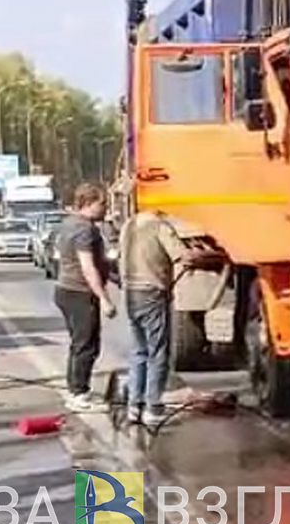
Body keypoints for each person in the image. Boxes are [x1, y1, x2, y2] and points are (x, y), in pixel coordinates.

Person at [119, 210, 213, 427]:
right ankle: (153, 407)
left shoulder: (129, 225)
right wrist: (204, 254)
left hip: (131, 293)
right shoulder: (159, 227)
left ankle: (135, 405)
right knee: (158, 352)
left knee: (139, 350)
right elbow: (182, 256)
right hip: (152, 292)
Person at [53, 183, 116, 412]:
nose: (105, 209)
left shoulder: (68, 223)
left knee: (79, 343)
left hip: (64, 290)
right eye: (102, 204)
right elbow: (87, 267)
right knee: (87, 345)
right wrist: (104, 298)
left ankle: (75, 389)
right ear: (88, 203)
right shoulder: (84, 230)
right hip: (79, 292)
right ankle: (79, 393)